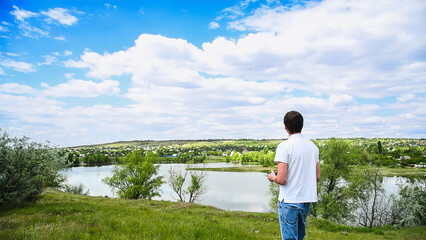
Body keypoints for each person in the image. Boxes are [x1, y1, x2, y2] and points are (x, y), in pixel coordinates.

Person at [267, 110, 320, 240]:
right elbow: (317, 177)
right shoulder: (313, 147)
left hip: (289, 201)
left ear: (285, 127)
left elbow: (282, 179)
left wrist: (273, 177)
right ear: (302, 125)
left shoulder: (284, 147)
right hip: (306, 202)